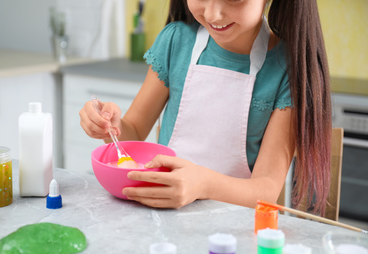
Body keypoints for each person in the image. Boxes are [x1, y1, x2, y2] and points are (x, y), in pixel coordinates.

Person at [79, 0, 331, 216]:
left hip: (231, 229)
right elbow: (133, 131)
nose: (213, 14)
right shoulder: (176, 41)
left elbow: (265, 191)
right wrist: (109, 124)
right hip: (161, 218)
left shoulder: (288, 68)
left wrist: (202, 185)